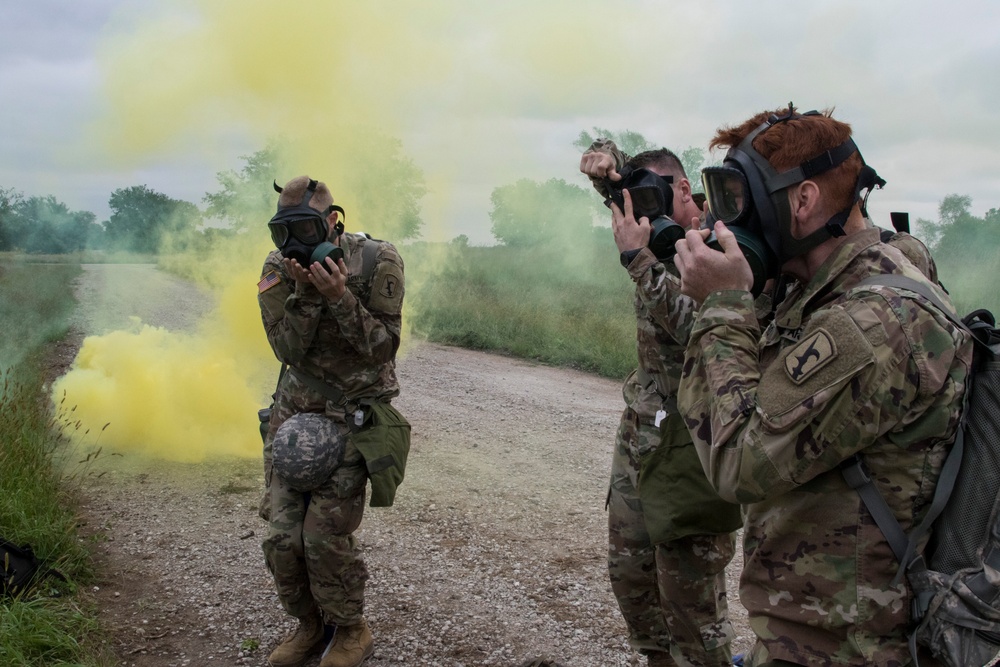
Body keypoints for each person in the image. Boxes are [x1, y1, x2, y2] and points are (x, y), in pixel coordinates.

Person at [673, 106, 973, 667]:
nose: (727, 217)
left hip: (850, 647)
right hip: (810, 632)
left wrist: (722, 303)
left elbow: (738, 461)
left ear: (803, 200)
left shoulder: (879, 321)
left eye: (739, 198)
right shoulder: (828, 283)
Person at [580, 141, 742, 667]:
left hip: (695, 439)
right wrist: (603, 163)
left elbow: (704, 330)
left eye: (651, 196)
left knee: (691, 603)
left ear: (683, 190)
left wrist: (639, 261)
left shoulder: (721, 244)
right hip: (643, 430)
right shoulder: (649, 225)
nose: (639, 212)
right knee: (632, 580)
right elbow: (614, 176)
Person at [257, 175, 405, 667]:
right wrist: (305, 295)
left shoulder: (378, 260)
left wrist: (340, 297)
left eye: (303, 228)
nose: (292, 242)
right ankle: (308, 625)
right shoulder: (278, 269)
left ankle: (351, 629)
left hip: (352, 416)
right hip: (293, 418)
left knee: (323, 536)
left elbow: (383, 347)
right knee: (282, 538)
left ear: (332, 221)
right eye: (283, 231)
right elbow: (286, 349)